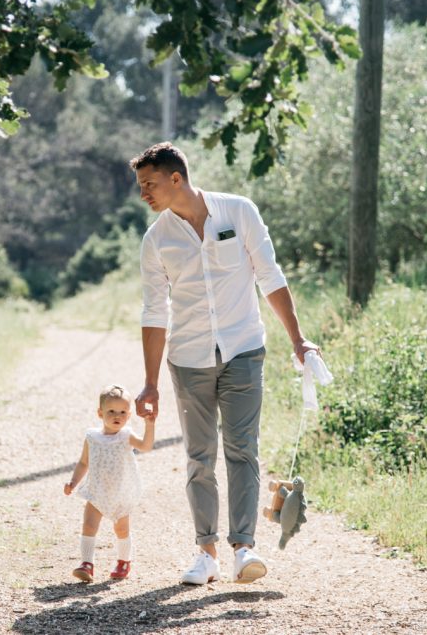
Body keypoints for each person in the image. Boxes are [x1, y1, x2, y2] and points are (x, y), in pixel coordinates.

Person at [131, 142, 320, 585]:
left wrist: (297, 339)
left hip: (243, 349)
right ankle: (206, 553)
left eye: (150, 185)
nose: (144, 194)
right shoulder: (156, 239)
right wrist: (150, 382)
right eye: (141, 187)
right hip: (189, 358)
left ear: (176, 178)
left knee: (242, 449)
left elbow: (270, 276)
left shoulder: (239, 212)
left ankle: (243, 548)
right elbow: (154, 313)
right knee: (200, 457)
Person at [64, 384, 156, 582]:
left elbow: (146, 446)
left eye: (122, 412)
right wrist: (73, 482)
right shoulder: (92, 437)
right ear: (100, 413)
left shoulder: (126, 436)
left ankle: (124, 561)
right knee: (88, 525)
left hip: (121, 492)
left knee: (122, 529)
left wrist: (149, 425)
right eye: (111, 411)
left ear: (129, 415)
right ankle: (86, 564)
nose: (117, 416)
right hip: (97, 490)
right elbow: (83, 462)